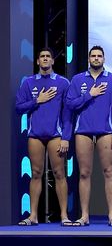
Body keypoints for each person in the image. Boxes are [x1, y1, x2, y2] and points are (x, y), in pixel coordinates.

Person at [65, 46, 112, 226]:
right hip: (83, 131)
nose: (96, 58)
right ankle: (84, 216)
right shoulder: (78, 80)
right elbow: (70, 104)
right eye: (93, 56)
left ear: (104, 59)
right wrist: (89, 95)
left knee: (109, 172)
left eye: (99, 56)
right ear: (89, 58)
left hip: (106, 131)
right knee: (84, 173)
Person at [15, 47, 72, 226]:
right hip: (35, 135)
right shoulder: (28, 83)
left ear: (53, 61)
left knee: (59, 173)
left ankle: (64, 215)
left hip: (56, 135)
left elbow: (67, 113)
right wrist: (36, 101)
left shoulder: (63, 83)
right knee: (36, 173)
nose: (45, 59)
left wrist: (66, 137)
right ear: (38, 61)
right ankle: (33, 216)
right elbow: (19, 107)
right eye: (42, 56)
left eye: (48, 56)